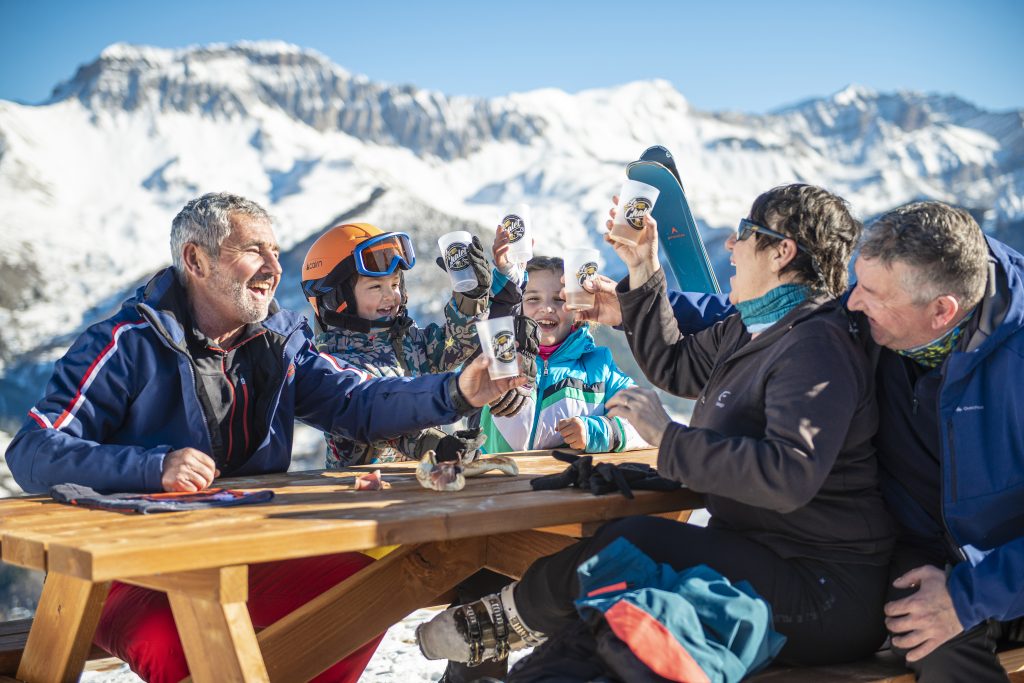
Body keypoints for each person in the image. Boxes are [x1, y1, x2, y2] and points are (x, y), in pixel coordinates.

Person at [4, 192, 524, 683]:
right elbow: (32, 451)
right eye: (254, 251)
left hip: (249, 552)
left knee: (376, 589)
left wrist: (456, 391)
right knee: (191, 648)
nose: (274, 267)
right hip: (130, 567)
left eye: (275, 251)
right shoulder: (126, 345)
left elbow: (356, 402)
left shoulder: (279, 344)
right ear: (196, 260)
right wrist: (152, 467)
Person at [416, 183, 895, 671]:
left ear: (781, 252)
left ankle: (501, 621)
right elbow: (677, 366)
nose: (730, 245)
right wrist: (642, 268)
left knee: (634, 547)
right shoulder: (752, 327)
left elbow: (786, 474)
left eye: (745, 233)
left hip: (820, 589)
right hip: (761, 556)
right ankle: (511, 642)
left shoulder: (815, 347)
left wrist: (666, 437)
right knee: (612, 594)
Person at [578, 200, 1024, 681]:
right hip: (918, 555)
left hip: (1003, 565)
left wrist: (971, 594)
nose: (852, 303)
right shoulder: (876, 319)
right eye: (858, 283)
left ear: (941, 310)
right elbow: (754, 321)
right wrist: (630, 304)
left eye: (872, 293)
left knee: (944, 645)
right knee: (918, 628)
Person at [301, 222, 506, 467]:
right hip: (359, 490)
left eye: (395, 284)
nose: (391, 296)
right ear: (337, 299)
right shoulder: (340, 365)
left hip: (411, 484)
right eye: (376, 286)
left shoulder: (406, 340)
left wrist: (471, 297)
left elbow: (455, 344)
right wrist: (438, 446)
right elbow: (385, 416)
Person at [478, 255, 646, 454]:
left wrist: (597, 432)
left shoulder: (599, 367)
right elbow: (456, 394)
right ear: (517, 307)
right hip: (499, 479)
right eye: (533, 299)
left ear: (577, 310)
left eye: (560, 300)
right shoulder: (499, 359)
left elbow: (645, 421)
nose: (547, 308)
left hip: (568, 482)